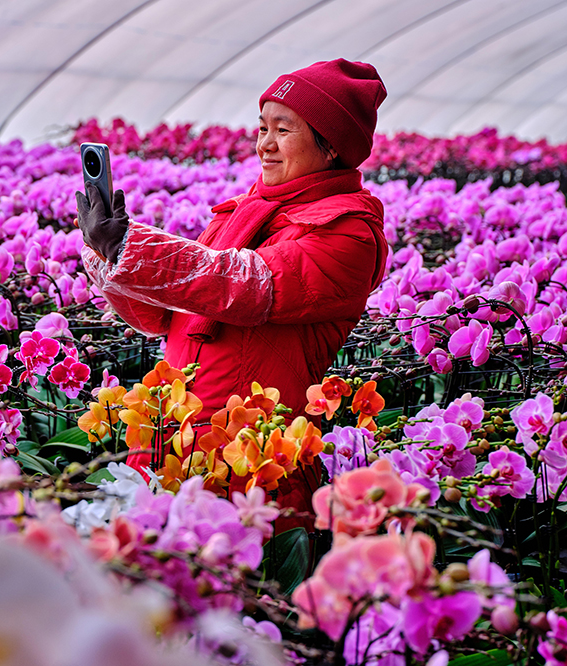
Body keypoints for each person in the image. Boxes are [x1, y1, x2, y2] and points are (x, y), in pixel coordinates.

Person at [76, 59, 389, 527]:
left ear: (331, 148)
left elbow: (244, 286)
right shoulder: (241, 213)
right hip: (171, 439)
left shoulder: (350, 233)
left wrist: (130, 246)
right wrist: (108, 256)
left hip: (252, 461)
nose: (264, 145)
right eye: (261, 127)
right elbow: (162, 313)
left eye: (283, 130)